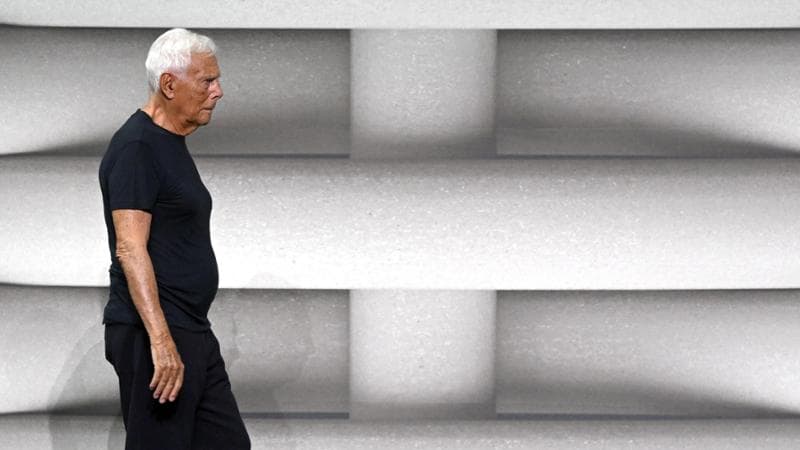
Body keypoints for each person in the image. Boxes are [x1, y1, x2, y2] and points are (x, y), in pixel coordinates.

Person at [98, 28, 250, 449]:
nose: (218, 91)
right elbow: (130, 248)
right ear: (169, 84)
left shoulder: (168, 143)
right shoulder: (137, 146)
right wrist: (161, 342)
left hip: (191, 328)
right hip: (156, 333)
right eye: (207, 80)